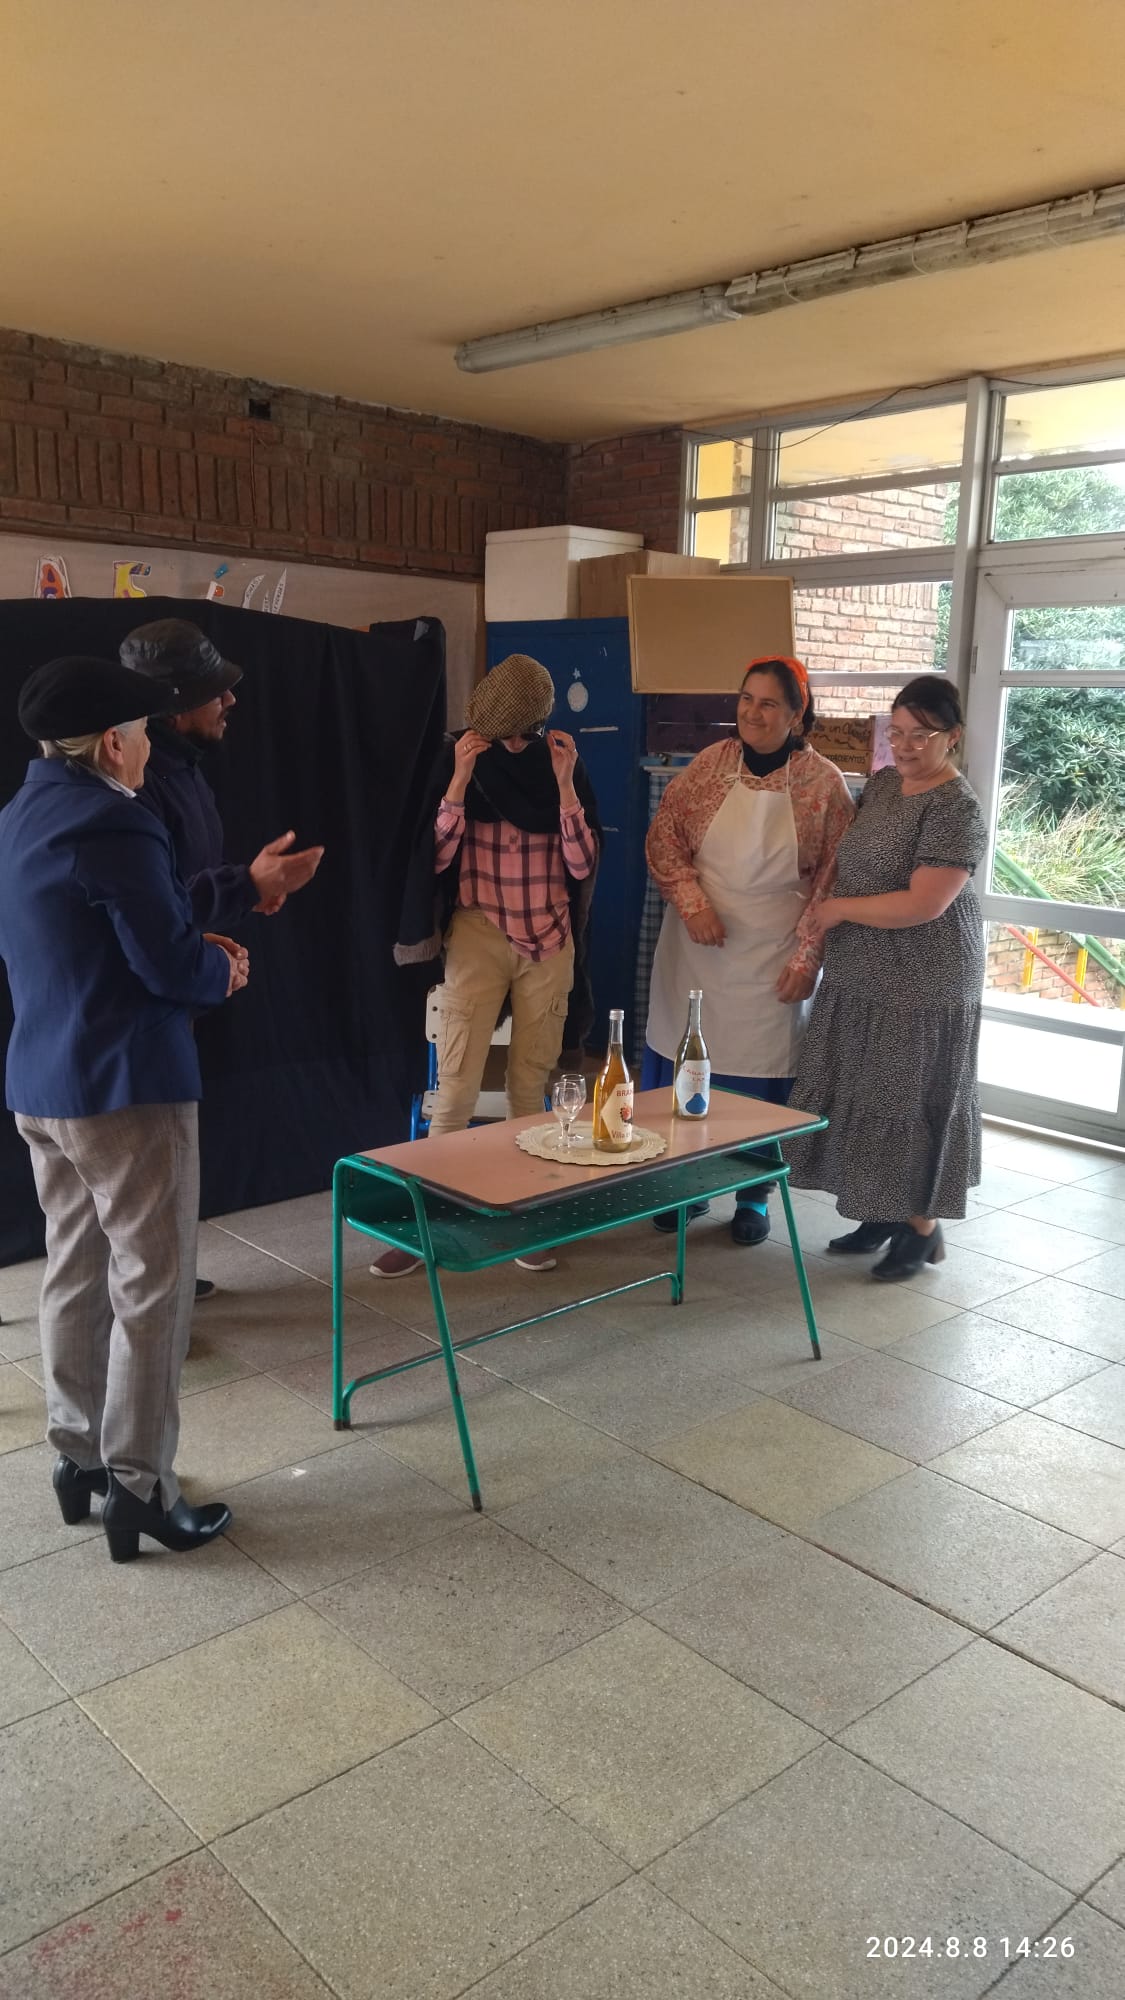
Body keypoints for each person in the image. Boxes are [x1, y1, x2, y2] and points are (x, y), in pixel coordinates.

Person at [0, 656, 247, 1561]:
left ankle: (80, 1460)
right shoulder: (117, 818)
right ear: (113, 742)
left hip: (42, 1081)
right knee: (153, 1281)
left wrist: (186, 942)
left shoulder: (20, 815)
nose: (149, 748)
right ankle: (141, 1484)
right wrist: (219, 966)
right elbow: (167, 968)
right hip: (126, 1088)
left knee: (72, 1267)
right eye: (142, 734)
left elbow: (89, 940)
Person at [380, 652, 600, 1279]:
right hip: (478, 931)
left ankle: (521, 1217)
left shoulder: (561, 758)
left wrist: (562, 787)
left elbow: (584, 864)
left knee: (529, 1092)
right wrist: (456, 781)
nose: (509, 740)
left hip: (549, 940)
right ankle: (427, 1222)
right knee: (453, 1091)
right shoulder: (463, 757)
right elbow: (436, 855)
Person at [121, 618, 324, 1297]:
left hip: (177, 999)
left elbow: (177, 895)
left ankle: (163, 1282)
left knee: (165, 1164)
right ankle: (152, 1301)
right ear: (174, 707)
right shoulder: (139, 789)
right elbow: (149, 908)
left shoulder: (184, 773)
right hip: (138, 1015)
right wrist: (244, 886)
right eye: (216, 692)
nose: (230, 702)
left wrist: (244, 896)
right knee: (142, 1168)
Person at [643, 655, 854, 1244]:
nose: (752, 713)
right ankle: (682, 1185)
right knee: (688, 1069)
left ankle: (752, 1196)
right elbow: (664, 839)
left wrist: (806, 957)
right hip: (698, 948)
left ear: (796, 713)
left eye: (768, 704)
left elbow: (834, 880)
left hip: (772, 951)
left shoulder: (824, 784)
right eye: (745, 699)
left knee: (759, 1084)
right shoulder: (710, 766)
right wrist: (693, 904)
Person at [787, 675, 988, 1281]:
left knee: (903, 1099)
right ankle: (880, 1211)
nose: (902, 746)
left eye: (918, 736)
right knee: (863, 1091)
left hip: (922, 977)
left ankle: (923, 1229)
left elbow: (925, 903)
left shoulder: (956, 808)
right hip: (862, 968)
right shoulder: (881, 785)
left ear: (951, 738)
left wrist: (840, 910)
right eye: (894, 732)